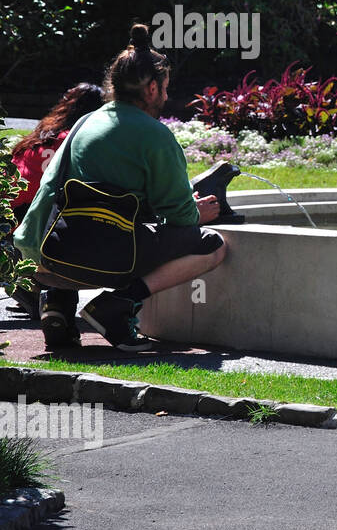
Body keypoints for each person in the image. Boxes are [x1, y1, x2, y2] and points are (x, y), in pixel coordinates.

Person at [13, 25, 228, 351]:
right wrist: (196, 213)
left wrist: (29, 250)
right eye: (166, 88)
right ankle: (117, 307)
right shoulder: (156, 136)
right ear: (153, 87)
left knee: (81, 219)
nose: (167, 97)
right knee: (213, 246)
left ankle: (57, 306)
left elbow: (49, 188)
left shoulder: (85, 123)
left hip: (50, 257)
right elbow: (180, 218)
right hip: (111, 261)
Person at [3, 82, 105, 320]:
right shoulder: (81, 142)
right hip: (47, 233)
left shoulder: (37, 140)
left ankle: (30, 286)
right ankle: (32, 287)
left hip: (11, 225)